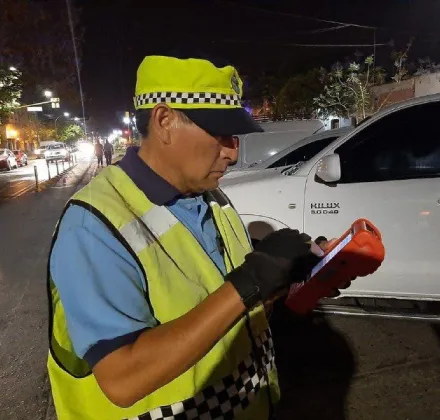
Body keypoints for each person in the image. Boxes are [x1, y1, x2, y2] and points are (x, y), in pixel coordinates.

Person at [46, 55, 341, 420]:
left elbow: (228, 306)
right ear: (164, 121)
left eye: (234, 137)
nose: (233, 152)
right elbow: (122, 379)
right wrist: (251, 281)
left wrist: (289, 279)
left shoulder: (209, 196)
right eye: (219, 134)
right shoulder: (94, 226)